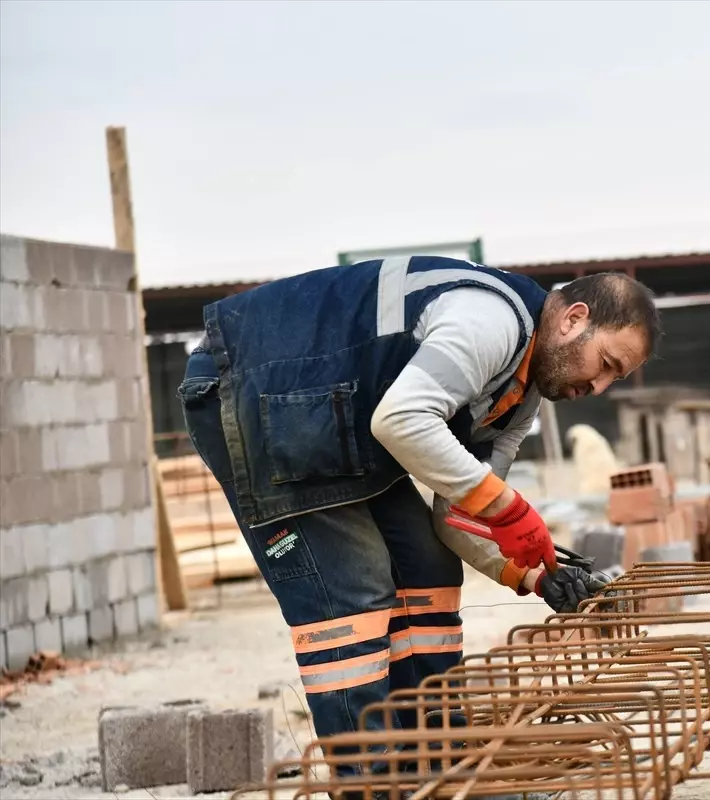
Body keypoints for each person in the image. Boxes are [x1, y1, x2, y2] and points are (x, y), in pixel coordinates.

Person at [176, 255, 660, 771]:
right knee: (355, 591)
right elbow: (403, 419)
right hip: (252, 387)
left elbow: (458, 513)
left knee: (426, 566)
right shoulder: (490, 322)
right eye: (606, 364)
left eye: (616, 378)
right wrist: (506, 506)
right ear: (573, 319)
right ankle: (372, 780)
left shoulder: (520, 401)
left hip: (337, 421)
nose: (600, 388)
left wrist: (534, 576)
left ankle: (434, 763)